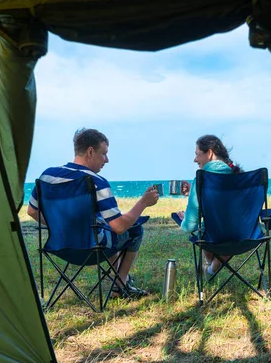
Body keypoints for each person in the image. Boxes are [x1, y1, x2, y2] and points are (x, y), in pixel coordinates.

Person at [28, 128, 159, 298]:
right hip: (92, 250)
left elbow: (32, 211)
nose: (107, 160)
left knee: (104, 224)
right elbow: (119, 227)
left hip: (59, 247)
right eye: (104, 154)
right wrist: (143, 203)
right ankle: (120, 282)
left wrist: (61, 227)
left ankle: (118, 283)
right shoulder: (97, 182)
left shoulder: (47, 175)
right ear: (90, 152)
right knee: (134, 229)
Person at [176, 135, 242, 276]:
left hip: (214, 237)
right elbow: (223, 202)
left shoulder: (201, 179)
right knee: (224, 227)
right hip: (244, 235)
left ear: (210, 153)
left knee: (206, 229)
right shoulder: (239, 177)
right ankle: (211, 270)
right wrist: (193, 192)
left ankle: (210, 270)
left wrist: (184, 219)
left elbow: (190, 227)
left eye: (197, 154)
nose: (195, 160)